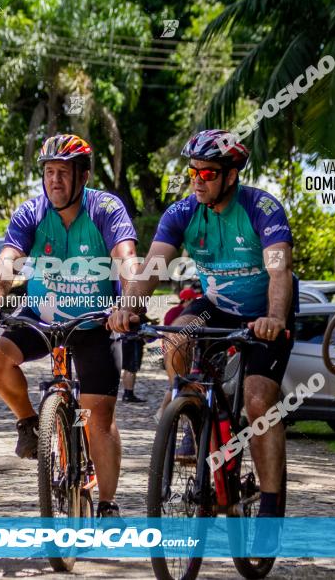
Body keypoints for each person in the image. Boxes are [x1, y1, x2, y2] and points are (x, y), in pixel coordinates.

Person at [108, 129, 297, 525]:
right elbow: (152, 268)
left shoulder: (262, 208)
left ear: (230, 176)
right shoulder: (181, 213)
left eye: (208, 173)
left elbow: (279, 271)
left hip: (265, 311)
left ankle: (270, 504)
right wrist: (129, 308)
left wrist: (275, 319)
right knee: (176, 340)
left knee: (259, 398)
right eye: (193, 171)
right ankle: (192, 411)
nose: (197, 180)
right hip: (216, 307)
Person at [0, 133, 138, 518]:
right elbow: (6, 264)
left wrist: (128, 305)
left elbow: (127, 259)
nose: (55, 181)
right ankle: (30, 423)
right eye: (49, 172)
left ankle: (109, 504)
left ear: (83, 176)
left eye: (63, 172)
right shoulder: (31, 213)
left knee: (99, 417)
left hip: (93, 322)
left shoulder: (105, 209)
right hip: (43, 316)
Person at [120, 312, 154, 403]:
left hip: (126, 340)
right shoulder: (135, 308)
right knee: (131, 369)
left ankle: (127, 393)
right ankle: (128, 394)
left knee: (128, 369)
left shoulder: (125, 308)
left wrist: (150, 320)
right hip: (133, 341)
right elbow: (139, 320)